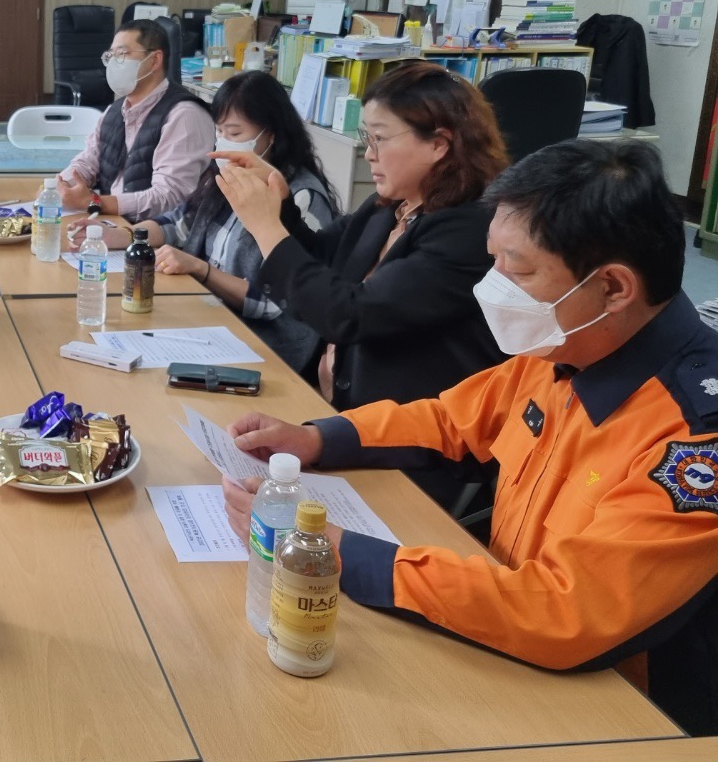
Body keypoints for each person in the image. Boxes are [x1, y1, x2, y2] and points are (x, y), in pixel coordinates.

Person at [220, 140, 718, 736]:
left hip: (623, 711)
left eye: (519, 269)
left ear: (613, 287)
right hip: (500, 636)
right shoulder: (569, 345)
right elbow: (450, 420)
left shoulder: (694, 440)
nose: (493, 286)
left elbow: (567, 611)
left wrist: (339, 553)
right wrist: (318, 439)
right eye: (493, 260)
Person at [217, 62, 506, 414]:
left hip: (406, 428)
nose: (369, 152)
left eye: (379, 138)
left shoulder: (468, 231)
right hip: (340, 406)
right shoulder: (391, 206)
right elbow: (322, 257)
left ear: (438, 144)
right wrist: (279, 205)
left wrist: (267, 229)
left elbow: (352, 314)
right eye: (367, 137)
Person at [72, 71, 337, 372]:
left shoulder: (301, 197)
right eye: (219, 132)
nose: (224, 143)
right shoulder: (226, 176)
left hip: (267, 346)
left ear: (271, 135)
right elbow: (179, 223)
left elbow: (276, 305)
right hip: (211, 321)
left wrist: (201, 269)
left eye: (234, 133)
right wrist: (121, 235)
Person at [56, 19, 213, 222]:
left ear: (154, 60)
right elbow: (88, 162)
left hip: (153, 234)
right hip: (110, 222)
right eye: (110, 55)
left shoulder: (184, 115)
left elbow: (168, 196)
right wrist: (59, 187)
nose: (114, 62)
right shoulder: (114, 111)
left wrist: (94, 202)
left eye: (122, 54)